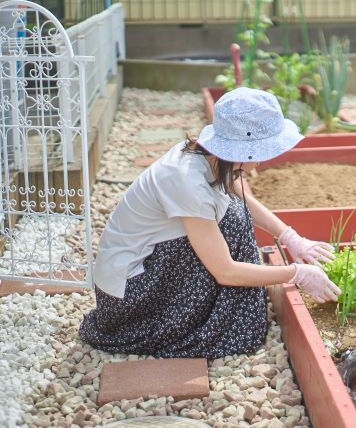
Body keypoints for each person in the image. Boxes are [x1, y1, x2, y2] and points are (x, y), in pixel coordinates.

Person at [79, 87, 341, 359]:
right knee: (230, 223)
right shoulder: (186, 181)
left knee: (234, 213)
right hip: (129, 298)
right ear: (242, 149)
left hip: (139, 269)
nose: (261, 162)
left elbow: (240, 196)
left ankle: (220, 305)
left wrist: (290, 237)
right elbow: (225, 271)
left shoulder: (208, 157)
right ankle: (199, 319)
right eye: (260, 152)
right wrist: (295, 274)